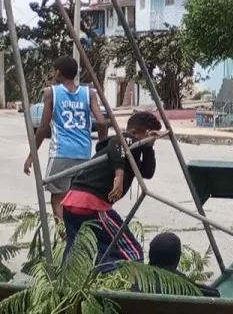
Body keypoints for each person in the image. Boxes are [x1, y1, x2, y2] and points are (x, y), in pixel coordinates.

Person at [60, 110, 163, 271]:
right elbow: (118, 142)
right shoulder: (126, 139)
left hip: (72, 202)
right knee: (132, 253)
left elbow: (147, 173)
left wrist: (149, 147)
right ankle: (118, 284)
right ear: (135, 132)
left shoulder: (133, 151)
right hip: (92, 204)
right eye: (147, 135)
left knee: (77, 252)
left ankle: (69, 281)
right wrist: (119, 175)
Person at [25, 56, 107, 222]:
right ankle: (77, 231)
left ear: (58, 72)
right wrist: (102, 147)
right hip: (84, 153)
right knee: (78, 195)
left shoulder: (51, 92)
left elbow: (43, 127)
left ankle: (62, 234)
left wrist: (30, 156)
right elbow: (101, 122)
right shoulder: (89, 93)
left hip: (61, 152)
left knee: (57, 196)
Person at [144, 232, 220, 297]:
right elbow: (214, 295)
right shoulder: (189, 288)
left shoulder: (136, 284)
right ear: (178, 257)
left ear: (150, 256)